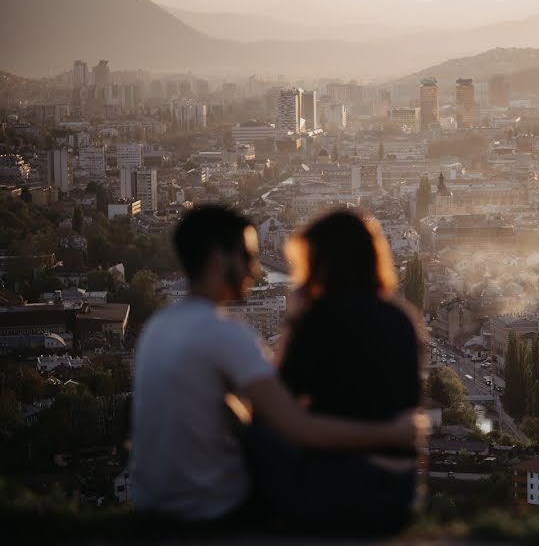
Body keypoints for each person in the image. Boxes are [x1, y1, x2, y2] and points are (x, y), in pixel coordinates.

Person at [129, 205, 427, 522]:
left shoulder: (156, 327)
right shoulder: (403, 319)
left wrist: (295, 321)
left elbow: (282, 417)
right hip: (396, 486)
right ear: (219, 259)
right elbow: (296, 424)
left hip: (155, 498)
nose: (255, 269)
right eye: (247, 256)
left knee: (260, 430)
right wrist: (392, 433)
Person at [253, 209, 424, 532]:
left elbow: (277, 405)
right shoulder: (402, 318)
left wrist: (293, 321)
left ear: (321, 264)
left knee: (252, 434)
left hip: (342, 489)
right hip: (398, 494)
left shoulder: (320, 318)